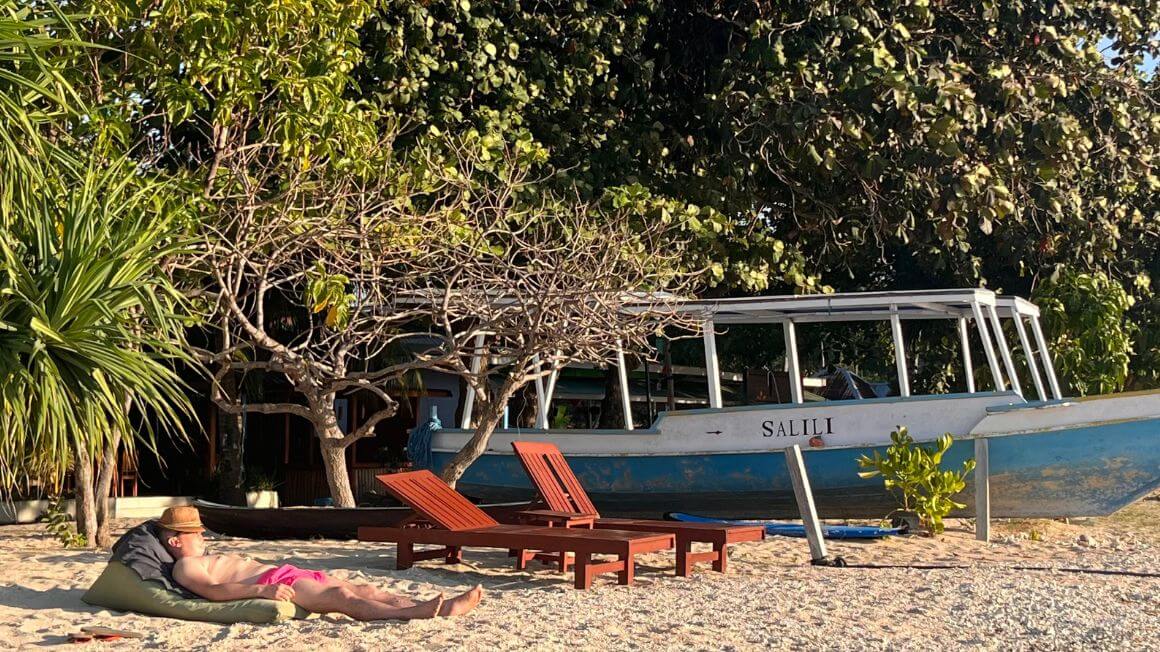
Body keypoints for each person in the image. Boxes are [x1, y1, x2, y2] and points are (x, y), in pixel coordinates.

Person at [157, 506, 482, 621]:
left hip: (284, 573)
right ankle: (411, 612)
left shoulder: (198, 557)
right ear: (175, 541)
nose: (203, 538)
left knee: (364, 587)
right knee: (343, 599)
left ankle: (434, 606)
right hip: (277, 583)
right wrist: (264, 590)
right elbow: (214, 592)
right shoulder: (185, 567)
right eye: (195, 534)